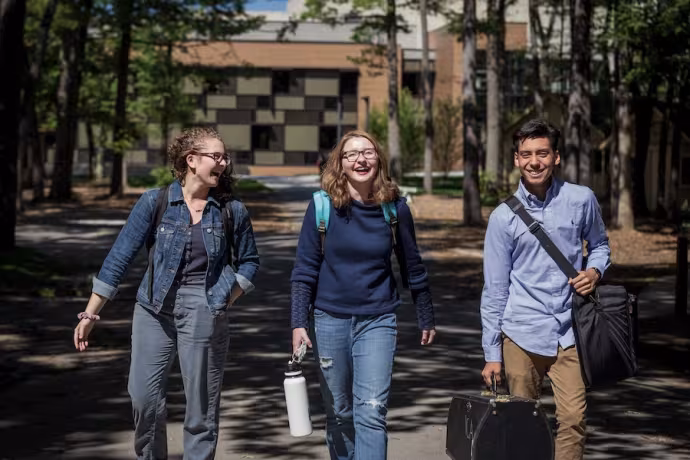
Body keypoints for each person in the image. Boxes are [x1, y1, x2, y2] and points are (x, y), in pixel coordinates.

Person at [73, 127, 260, 460]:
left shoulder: (232, 210)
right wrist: (90, 313)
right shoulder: (155, 201)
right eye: (215, 157)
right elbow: (119, 257)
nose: (223, 163)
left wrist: (224, 298)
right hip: (153, 309)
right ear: (191, 160)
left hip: (205, 308)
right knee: (144, 398)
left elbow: (249, 262)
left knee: (201, 409)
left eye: (224, 157)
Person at [290, 130, 436, 460]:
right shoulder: (321, 208)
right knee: (340, 412)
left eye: (368, 153)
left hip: (378, 320)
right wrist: (299, 323)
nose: (361, 159)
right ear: (339, 164)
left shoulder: (395, 209)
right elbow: (304, 271)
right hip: (329, 321)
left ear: (379, 160)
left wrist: (425, 313)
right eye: (352, 154)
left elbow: (412, 265)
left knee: (370, 412)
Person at [480, 119, 611, 460]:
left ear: (556, 157)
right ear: (516, 159)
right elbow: (494, 290)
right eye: (526, 154)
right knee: (522, 424)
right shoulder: (502, 218)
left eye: (542, 153)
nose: (534, 161)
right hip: (521, 332)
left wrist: (594, 271)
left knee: (573, 419)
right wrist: (492, 354)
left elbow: (599, 245)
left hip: (570, 332)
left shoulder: (581, 199)